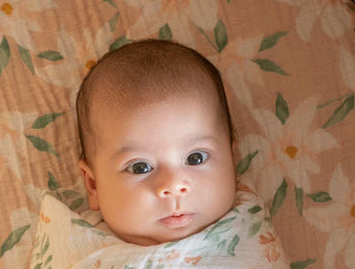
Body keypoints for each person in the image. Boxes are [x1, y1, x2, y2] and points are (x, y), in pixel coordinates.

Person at [75, 39, 237, 246]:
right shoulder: (76, 242)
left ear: (232, 160)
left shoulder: (249, 225)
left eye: (196, 158)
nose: (173, 185)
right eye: (140, 167)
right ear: (93, 185)